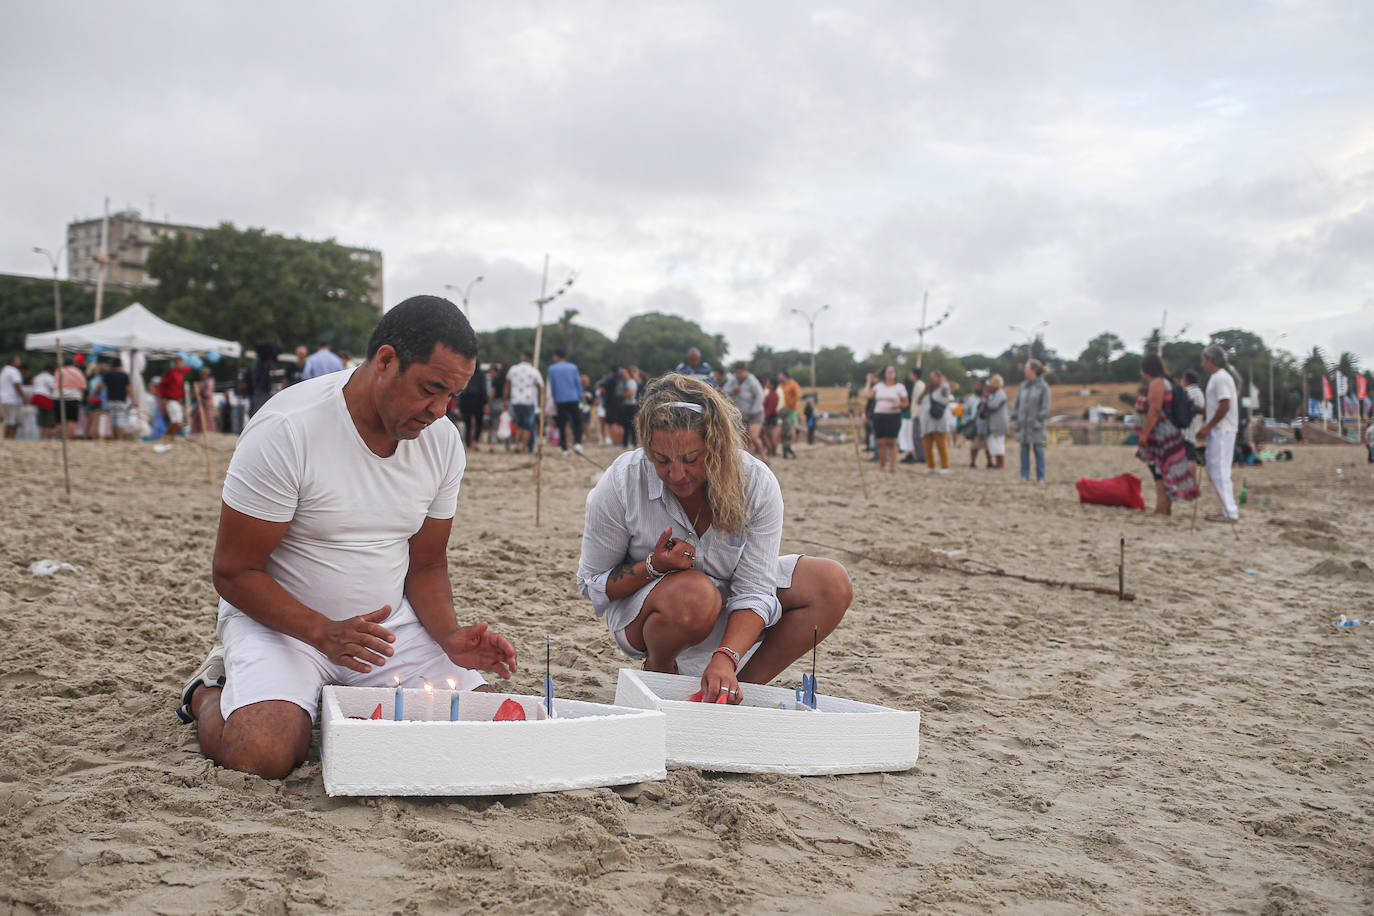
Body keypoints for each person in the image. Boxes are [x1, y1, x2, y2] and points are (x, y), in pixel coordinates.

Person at [174, 295, 517, 779]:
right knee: (263, 753)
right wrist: (321, 632)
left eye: (451, 396)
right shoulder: (289, 428)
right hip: (282, 627)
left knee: (487, 724)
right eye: (430, 389)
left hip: (383, 632)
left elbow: (426, 565)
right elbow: (233, 572)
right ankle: (209, 690)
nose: (439, 411)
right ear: (385, 361)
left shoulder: (441, 441)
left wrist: (450, 637)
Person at [577, 373, 853, 703]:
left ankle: (734, 690)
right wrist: (651, 567)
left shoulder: (755, 482)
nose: (676, 474)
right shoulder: (623, 480)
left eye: (691, 459)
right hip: (653, 614)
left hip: (731, 610)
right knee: (697, 593)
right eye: (661, 460)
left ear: (716, 445)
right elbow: (592, 583)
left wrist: (727, 658)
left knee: (830, 583)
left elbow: (755, 589)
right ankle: (661, 669)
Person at [1134, 354, 1199, 515]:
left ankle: (1162, 508)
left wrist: (1144, 434)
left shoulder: (1157, 383)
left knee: (1159, 470)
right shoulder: (1166, 381)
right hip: (1166, 432)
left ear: (1145, 370)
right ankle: (1164, 508)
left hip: (1160, 434)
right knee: (1163, 470)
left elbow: (1155, 410)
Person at [1197, 345, 1240, 522]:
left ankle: (1230, 512)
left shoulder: (1220, 378)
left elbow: (1225, 405)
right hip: (1221, 429)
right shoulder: (1219, 377)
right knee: (1216, 470)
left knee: (1220, 471)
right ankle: (1226, 510)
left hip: (1222, 430)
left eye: (1204, 360)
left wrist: (1208, 426)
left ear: (1210, 360)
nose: (1203, 364)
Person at [1012, 359, 1051, 481]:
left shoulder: (1043, 387)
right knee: (1023, 448)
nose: (1024, 370)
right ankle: (1025, 475)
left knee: (1038, 448)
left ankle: (1041, 476)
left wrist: (1038, 420)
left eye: (1026, 368)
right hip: (1022, 424)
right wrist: (1015, 416)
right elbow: (1017, 403)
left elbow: (1045, 407)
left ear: (1033, 371)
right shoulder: (1023, 386)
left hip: (1036, 425)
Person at [862, 366, 907, 472]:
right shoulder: (878, 386)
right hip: (879, 416)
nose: (890, 374)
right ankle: (882, 465)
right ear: (885, 374)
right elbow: (867, 395)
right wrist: (868, 381)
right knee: (881, 442)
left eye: (892, 372)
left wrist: (899, 405)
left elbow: (905, 403)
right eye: (888, 372)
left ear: (895, 374)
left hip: (893, 416)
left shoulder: (899, 387)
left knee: (892, 442)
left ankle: (892, 465)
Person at [723, 361, 767, 461]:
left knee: (753, 436)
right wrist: (733, 390)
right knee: (744, 438)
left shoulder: (752, 381)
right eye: (737, 373)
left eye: (741, 373)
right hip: (741, 414)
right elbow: (725, 391)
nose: (739, 375)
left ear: (746, 372)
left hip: (756, 413)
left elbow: (760, 396)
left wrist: (754, 410)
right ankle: (748, 459)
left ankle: (764, 457)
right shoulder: (733, 380)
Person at [547, 349, 585, 457]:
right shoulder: (573, 367)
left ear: (556, 356)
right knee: (577, 421)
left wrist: (554, 398)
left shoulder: (552, 369)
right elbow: (578, 383)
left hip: (560, 399)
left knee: (562, 424)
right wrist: (579, 397)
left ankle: (564, 448)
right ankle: (578, 443)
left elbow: (552, 386)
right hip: (573, 398)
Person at [504, 352, 542, 454]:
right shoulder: (534, 371)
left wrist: (505, 400)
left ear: (523, 357)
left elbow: (507, 385)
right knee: (528, 426)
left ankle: (516, 444)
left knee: (518, 425)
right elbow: (540, 387)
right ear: (531, 359)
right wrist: (540, 401)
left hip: (515, 400)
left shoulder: (513, 369)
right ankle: (524, 448)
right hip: (529, 401)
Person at [918, 369, 954, 474]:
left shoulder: (944, 389)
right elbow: (918, 401)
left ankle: (944, 466)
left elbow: (947, 391)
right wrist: (925, 390)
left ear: (939, 378)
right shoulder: (928, 390)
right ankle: (931, 466)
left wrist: (944, 382)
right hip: (926, 422)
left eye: (934, 377)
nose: (931, 379)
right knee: (927, 445)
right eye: (931, 377)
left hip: (939, 421)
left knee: (941, 445)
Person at [456, 359, 488, 449]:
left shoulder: (466, 373)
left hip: (466, 400)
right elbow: (483, 389)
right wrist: (486, 402)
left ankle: (468, 443)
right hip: (478, 401)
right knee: (479, 423)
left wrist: (459, 403)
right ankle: (475, 441)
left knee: (468, 424)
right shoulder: (481, 375)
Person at [1181, 369, 1207, 478]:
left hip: (1186, 430)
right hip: (1195, 428)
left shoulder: (1187, 392)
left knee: (1188, 458)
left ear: (1186, 381)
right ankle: (1191, 482)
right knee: (1190, 457)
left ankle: (1190, 482)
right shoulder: (1200, 393)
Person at [157, 356, 189, 439]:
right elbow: (162, 384)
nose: (183, 365)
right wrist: (163, 397)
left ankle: (169, 435)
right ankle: (168, 435)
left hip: (176, 399)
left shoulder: (180, 373)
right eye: (181, 363)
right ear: (177, 364)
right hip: (169, 398)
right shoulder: (171, 373)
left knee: (177, 419)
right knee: (176, 419)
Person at [99, 360, 132, 440]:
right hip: (121, 400)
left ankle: (114, 438)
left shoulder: (108, 375)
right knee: (120, 419)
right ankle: (120, 439)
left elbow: (100, 385)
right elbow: (128, 388)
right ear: (121, 365)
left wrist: (93, 394)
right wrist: (133, 400)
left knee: (113, 420)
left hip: (111, 400)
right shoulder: (124, 375)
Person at [55, 358, 87, 440]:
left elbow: (55, 384)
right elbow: (83, 386)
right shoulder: (77, 371)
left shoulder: (58, 371)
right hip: (73, 397)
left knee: (60, 420)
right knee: (72, 420)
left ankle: (60, 439)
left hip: (59, 396)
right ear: (73, 363)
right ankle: (68, 439)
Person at [984, 374, 1009, 469]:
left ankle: (1000, 464)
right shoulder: (995, 394)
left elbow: (993, 405)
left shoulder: (1000, 394)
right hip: (994, 424)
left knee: (998, 443)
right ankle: (997, 463)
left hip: (999, 424)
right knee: (994, 443)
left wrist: (986, 401)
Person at [964, 378, 989, 468]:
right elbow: (969, 411)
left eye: (978, 385)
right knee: (974, 444)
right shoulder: (972, 398)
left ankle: (989, 461)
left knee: (987, 445)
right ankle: (972, 461)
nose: (976, 387)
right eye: (976, 385)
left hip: (986, 423)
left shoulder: (988, 397)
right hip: (975, 423)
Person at [777, 369, 801, 459]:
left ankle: (792, 446)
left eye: (780, 375)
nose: (779, 377)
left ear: (784, 376)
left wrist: (790, 404)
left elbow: (797, 395)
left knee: (793, 428)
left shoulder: (793, 384)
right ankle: (786, 447)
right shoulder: (780, 386)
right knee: (784, 428)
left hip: (792, 409)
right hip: (783, 410)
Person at [2, 355, 25, 439]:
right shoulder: (14, 371)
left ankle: (6, 437)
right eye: (18, 361)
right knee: (13, 420)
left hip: (4, 398)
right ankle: (11, 437)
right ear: (13, 362)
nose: (19, 362)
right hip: (12, 399)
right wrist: (23, 396)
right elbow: (17, 384)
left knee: (7, 420)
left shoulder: (4, 370)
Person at [32, 364, 57, 439]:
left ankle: (42, 437)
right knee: (48, 419)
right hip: (46, 398)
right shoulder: (50, 377)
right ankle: (48, 437)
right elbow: (52, 389)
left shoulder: (37, 377)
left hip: (37, 397)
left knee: (41, 419)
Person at [620, 365, 641, 449]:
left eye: (625, 373)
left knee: (631, 424)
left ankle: (633, 442)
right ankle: (625, 443)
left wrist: (622, 395)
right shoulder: (626, 382)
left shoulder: (631, 382)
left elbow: (630, 393)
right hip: (627, 405)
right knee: (626, 424)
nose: (623, 374)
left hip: (631, 406)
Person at [761, 376, 781, 457]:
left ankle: (773, 452)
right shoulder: (772, 394)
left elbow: (770, 408)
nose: (767, 384)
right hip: (770, 416)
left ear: (772, 385)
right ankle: (772, 451)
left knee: (771, 436)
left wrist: (765, 417)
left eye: (768, 383)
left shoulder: (773, 395)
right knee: (769, 435)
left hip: (770, 417)